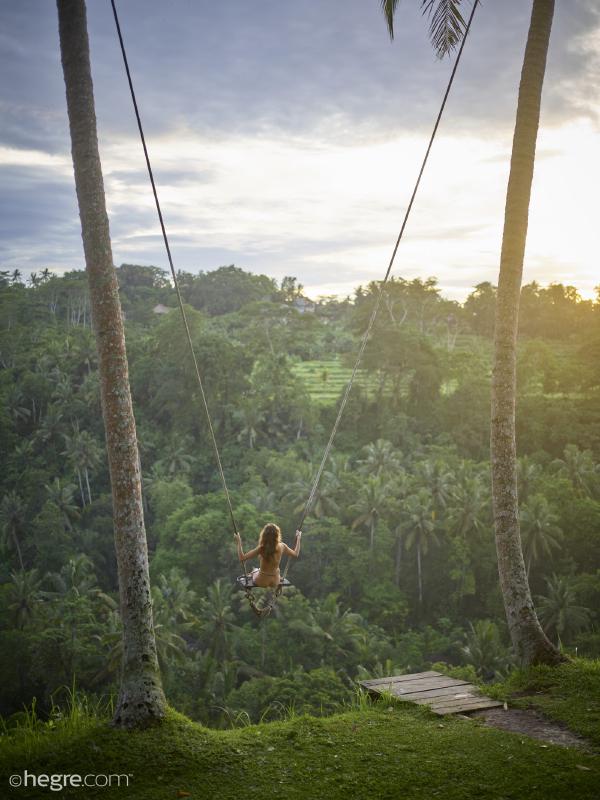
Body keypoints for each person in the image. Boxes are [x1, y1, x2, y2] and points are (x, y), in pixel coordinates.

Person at [235, 523, 301, 588]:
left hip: (262, 581)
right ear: (277, 535)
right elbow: (295, 554)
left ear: (264, 535)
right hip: (275, 581)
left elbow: (242, 558)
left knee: (254, 570)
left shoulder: (261, 548)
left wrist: (239, 542)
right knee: (258, 570)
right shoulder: (282, 546)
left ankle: (254, 572)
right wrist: (298, 538)